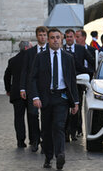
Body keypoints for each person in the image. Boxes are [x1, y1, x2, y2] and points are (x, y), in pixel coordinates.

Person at [30, 28, 79, 170]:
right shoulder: (40, 57)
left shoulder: (68, 58)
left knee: (59, 126)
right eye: (52, 38)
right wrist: (35, 96)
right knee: (46, 130)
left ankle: (60, 155)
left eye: (58, 37)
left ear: (62, 39)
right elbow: (32, 78)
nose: (55, 40)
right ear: (48, 40)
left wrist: (75, 102)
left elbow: (72, 81)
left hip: (61, 98)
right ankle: (48, 156)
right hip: (46, 98)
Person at [19, 25, 48, 152]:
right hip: (33, 88)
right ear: (37, 37)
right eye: (40, 35)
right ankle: (35, 140)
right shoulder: (30, 52)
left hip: (47, 89)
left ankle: (46, 140)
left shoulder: (51, 51)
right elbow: (24, 71)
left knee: (47, 115)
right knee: (33, 115)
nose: (42, 37)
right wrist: (22, 88)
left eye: (44, 35)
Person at [64, 29, 94, 140]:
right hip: (65, 85)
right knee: (64, 109)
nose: (69, 39)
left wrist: (88, 74)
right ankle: (66, 133)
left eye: (71, 36)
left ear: (74, 38)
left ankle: (74, 131)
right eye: (67, 37)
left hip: (78, 83)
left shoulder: (81, 49)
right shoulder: (61, 49)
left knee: (76, 108)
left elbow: (92, 61)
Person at [4, 41, 32, 148]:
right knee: (32, 116)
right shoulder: (32, 59)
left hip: (16, 92)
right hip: (30, 92)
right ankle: (33, 140)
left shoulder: (12, 60)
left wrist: (8, 89)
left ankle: (20, 141)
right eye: (30, 46)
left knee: (18, 117)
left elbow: (7, 76)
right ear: (26, 48)